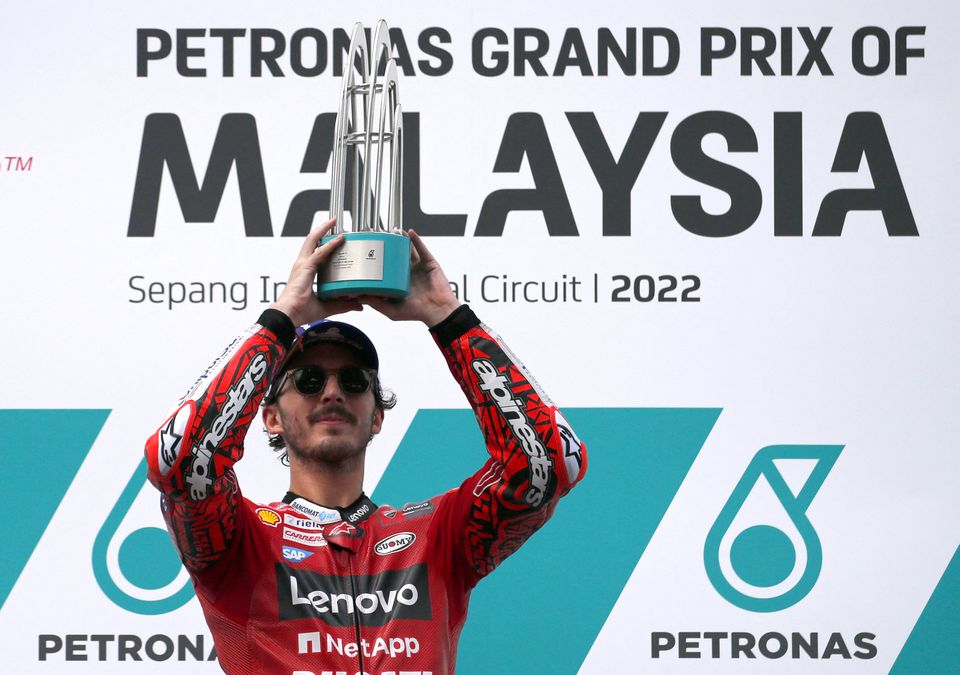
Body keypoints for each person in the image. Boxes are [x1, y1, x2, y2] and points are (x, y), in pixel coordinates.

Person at [145, 220, 588, 675]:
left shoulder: (437, 536)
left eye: (354, 381)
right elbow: (177, 459)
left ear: (377, 416)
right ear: (271, 416)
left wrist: (447, 316)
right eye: (309, 380)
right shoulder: (241, 540)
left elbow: (551, 464)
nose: (332, 393)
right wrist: (281, 319)